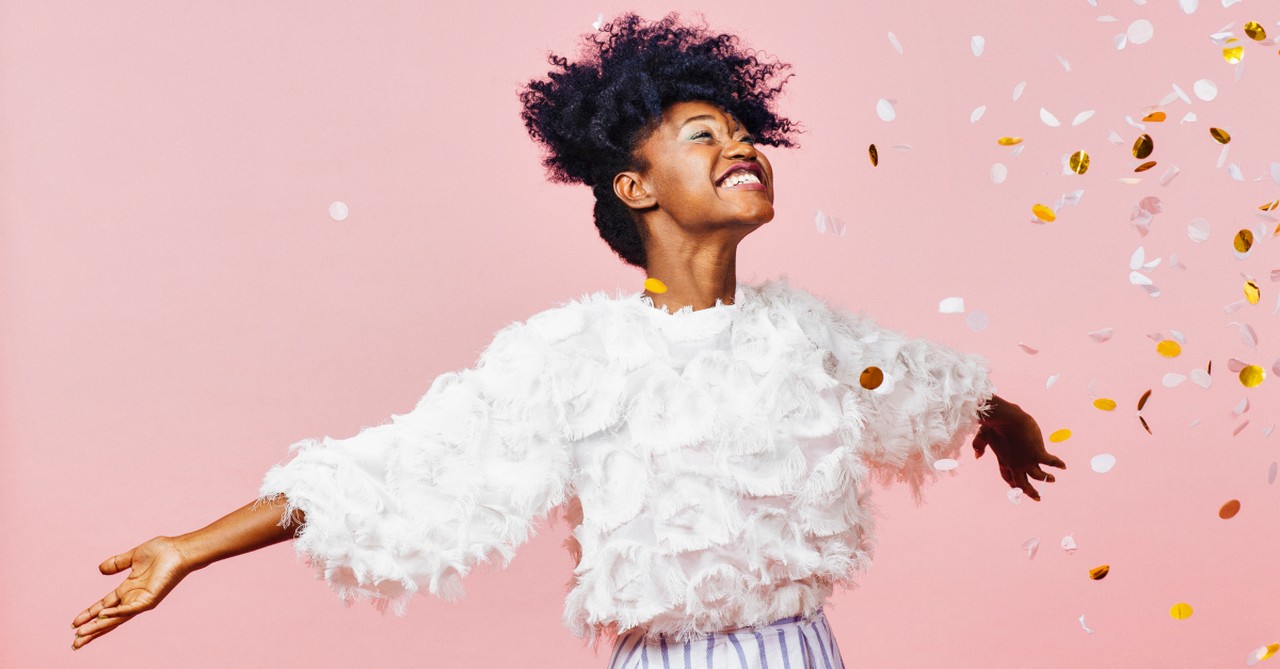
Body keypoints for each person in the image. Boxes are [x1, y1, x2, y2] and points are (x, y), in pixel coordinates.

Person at [71, 12, 1066, 667]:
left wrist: (1002, 423)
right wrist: (189, 550)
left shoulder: (811, 335)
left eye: (741, 130)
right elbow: (395, 468)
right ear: (635, 188)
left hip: (804, 651)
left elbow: (923, 387)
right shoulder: (576, 356)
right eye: (701, 134)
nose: (739, 146)